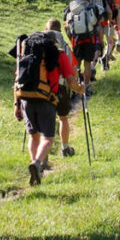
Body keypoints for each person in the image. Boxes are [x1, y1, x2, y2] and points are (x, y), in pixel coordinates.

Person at [11, 30, 83, 186]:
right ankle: (37, 163)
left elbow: (16, 81)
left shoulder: (28, 56)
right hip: (46, 100)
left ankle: (36, 167)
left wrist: (17, 105)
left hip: (26, 100)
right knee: (48, 138)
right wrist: (80, 89)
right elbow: (70, 81)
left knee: (33, 136)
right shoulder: (59, 55)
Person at [45, 19, 79, 158]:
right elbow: (74, 70)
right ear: (60, 31)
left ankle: (43, 155)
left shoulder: (39, 45)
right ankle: (65, 148)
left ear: (46, 29)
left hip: (42, 88)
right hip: (60, 87)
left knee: (45, 120)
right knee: (63, 118)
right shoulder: (64, 47)